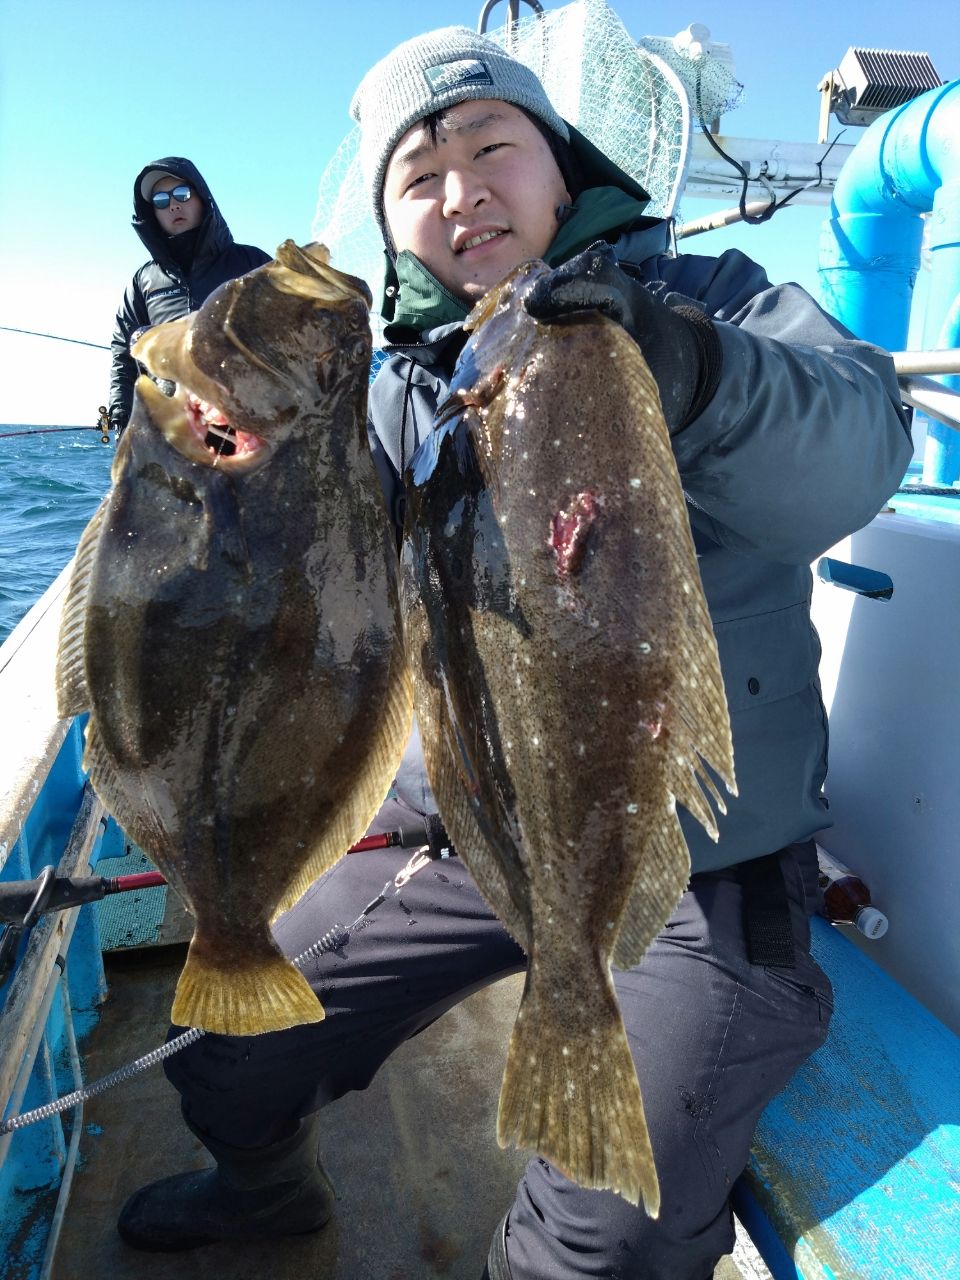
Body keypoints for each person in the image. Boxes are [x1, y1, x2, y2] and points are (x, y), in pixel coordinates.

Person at [115, 28, 912, 1280]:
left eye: (493, 147)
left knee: (602, 1237)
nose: (462, 192)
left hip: (698, 862)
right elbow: (304, 607)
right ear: (392, 222)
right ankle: (262, 1190)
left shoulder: (712, 300)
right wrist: (230, 478)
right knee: (228, 1047)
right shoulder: (392, 391)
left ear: (562, 163)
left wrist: (690, 366)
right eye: (419, 176)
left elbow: (862, 445)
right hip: (472, 835)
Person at [107, 157, 271, 437]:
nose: (173, 205)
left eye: (182, 194)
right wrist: (121, 410)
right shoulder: (143, 281)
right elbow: (124, 350)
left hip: (247, 427)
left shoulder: (252, 263)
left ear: (202, 197)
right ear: (152, 213)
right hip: (175, 432)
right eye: (160, 200)